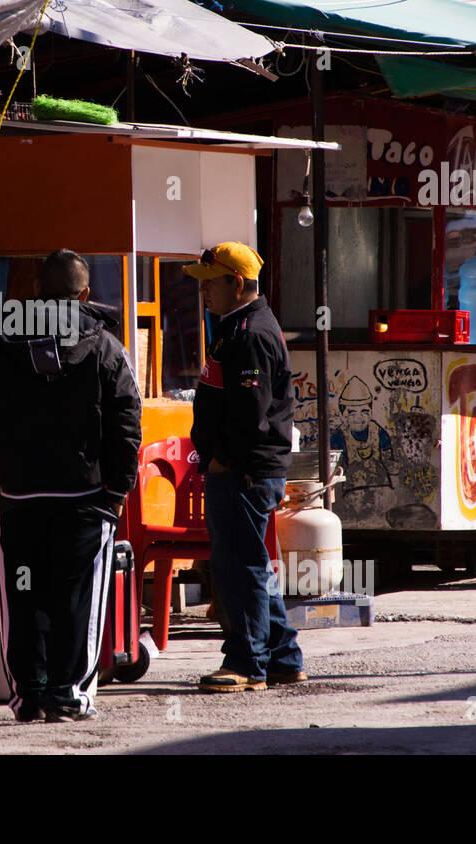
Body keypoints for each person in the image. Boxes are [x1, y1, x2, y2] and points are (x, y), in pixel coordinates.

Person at [0, 250, 142, 722]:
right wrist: (118, 489)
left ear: (37, 291)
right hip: (86, 500)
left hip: (18, 500)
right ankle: (67, 695)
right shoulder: (107, 347)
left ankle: (30, 695)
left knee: (22, 597)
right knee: (76, 598)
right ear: (85, 294)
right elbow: (127, 423)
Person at [185, 242, 306, 693]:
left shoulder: (251, 332)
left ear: (237, 283)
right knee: (250, 563)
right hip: (242, 468)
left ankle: (247, 662)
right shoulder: (236, 326)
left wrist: (222, 459)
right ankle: (283, 658)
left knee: (240, 567)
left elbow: (247, 415)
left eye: (210, 283)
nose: (203, 293)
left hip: (243, 470)